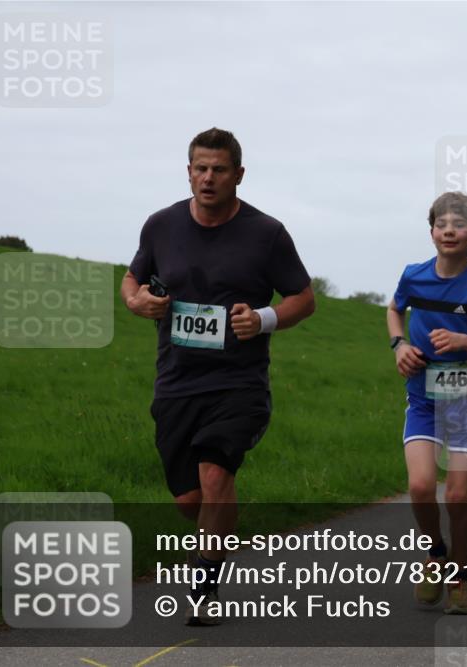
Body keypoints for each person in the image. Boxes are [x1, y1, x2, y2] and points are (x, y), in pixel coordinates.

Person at [122, 128, 315, 625]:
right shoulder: (160, 225)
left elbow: (302, 298)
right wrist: (136, 300)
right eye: (200, 168)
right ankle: (220, 532)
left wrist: (265, 319)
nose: (208, 178)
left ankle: (203, 591)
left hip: (239, 383)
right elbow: (133, 278)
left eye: (219, 170)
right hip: (176, 381)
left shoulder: (266, 233)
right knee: (191, 500)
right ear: (188, 172)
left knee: (215, 474)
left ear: (238, 175)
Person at [387, 192, 467, 614]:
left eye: (458, 225)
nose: (449, 231)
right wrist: (399, 343)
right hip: (422, 398)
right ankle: (436, 554)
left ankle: (459, 577)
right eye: (441, 224)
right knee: (421, 487)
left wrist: (463, 340)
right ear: (431, 232)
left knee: (458, 497)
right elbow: (394, 309)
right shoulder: (413, 275)